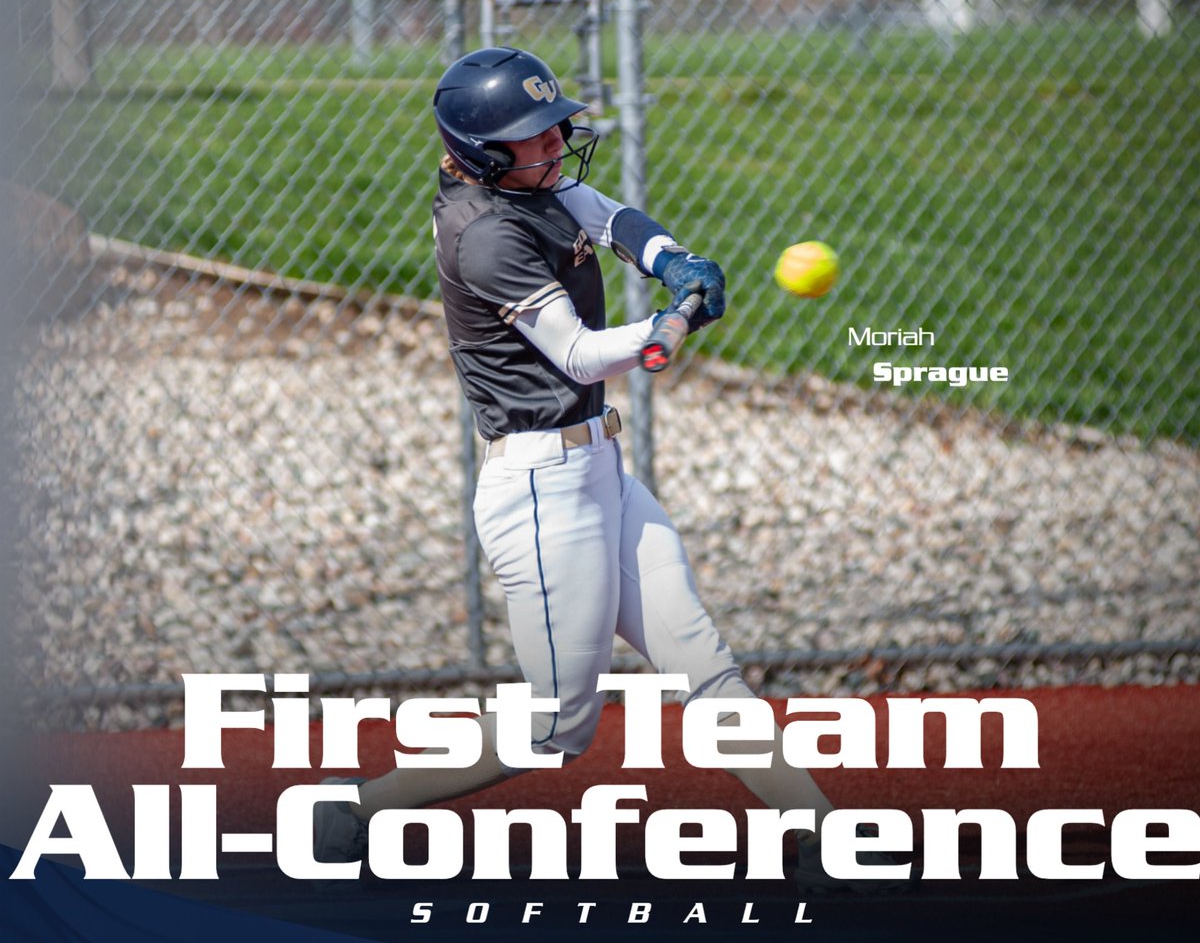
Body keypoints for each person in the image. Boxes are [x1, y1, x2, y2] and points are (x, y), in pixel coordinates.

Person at [314, 47, 907, 893]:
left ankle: (820, 831)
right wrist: (667, 328)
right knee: (558, 728)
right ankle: (359, 811)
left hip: (600, 472)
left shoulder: (536, 186)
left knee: (703, 662)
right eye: (533, 136)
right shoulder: (484, 236)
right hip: (540, 493)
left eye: (555, 123)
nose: (556, 140)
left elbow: (607, 214)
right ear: (482, 155)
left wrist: (671, 261)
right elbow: (584, 355)